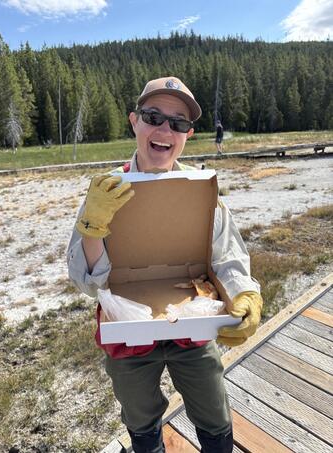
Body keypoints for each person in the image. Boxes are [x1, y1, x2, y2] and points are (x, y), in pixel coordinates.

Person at [67, 76, 263, 453]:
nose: (165, 129)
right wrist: (92, 229)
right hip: (128, 333)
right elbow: (90, 283)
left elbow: (227, 255)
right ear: (134, 121)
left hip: (193, 324)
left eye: (179, 122)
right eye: (153, 116)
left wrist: (244, 292)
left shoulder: (199, 189)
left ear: (188, 133)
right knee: (140, 417)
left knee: (213, 408)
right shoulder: (105, 191)